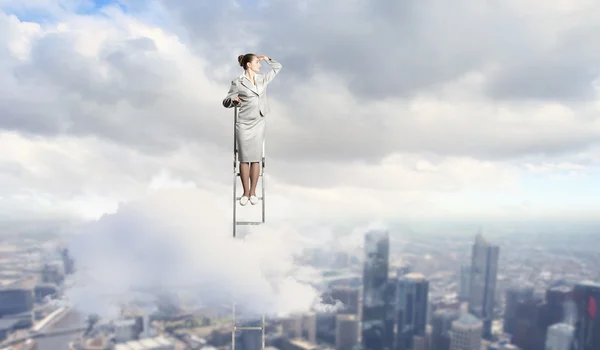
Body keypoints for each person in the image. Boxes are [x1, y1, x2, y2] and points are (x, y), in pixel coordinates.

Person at [223, 53, 282, 206]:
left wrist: (267, 59)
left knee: (255, 157)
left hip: (259, 121)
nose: (259, 65)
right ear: (248, 64)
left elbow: (278, 67)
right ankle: (245, 192)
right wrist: (233, 100)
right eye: (257, 62)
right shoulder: (238, 82)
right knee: (244, 158)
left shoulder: (262, 79)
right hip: (244, 122)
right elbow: (226, 101)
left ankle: (253, 192)